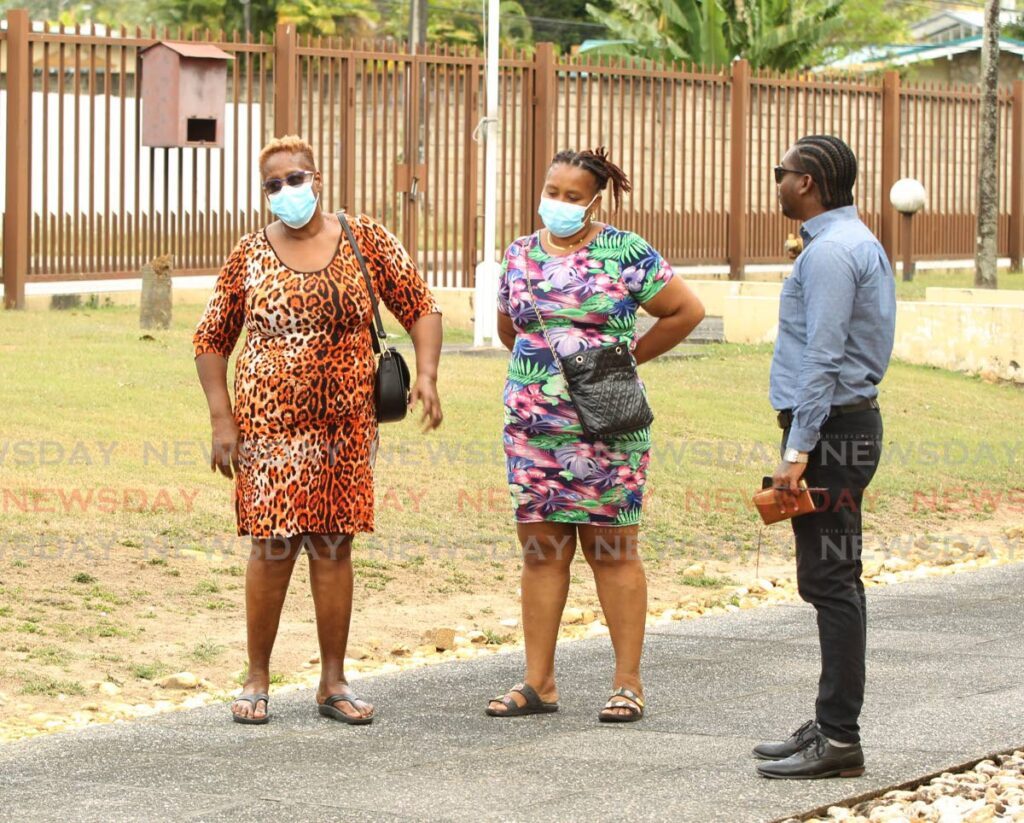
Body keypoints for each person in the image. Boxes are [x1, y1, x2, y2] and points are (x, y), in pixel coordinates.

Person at [193, 135, 443, 726]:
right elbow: (210, 338)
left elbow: (421, 306)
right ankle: (257, 678)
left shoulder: (366, 238)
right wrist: (221, 418)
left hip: (346, 429)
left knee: (334, 547)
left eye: (295, 179)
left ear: (318, 178)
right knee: (273, 548)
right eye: (273, 185)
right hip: (269, 431)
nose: (286, 192)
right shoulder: (249, 254)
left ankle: (333, 681)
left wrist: (427, 374)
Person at [487, 147, 705, 722]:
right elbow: (512, 330)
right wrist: (546, 386)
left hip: (607, 427)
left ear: (595, 200)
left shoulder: (625, 251)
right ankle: (539, 684)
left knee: (611, 551)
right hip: (534, 431)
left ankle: (627, 684)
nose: (557, 203)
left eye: (572, 196)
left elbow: (685, 311)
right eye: (551, 191)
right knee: (540, 552)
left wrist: (627, 359)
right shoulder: (519, 256)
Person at [755, 135, 895, 778]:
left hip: (831, 436)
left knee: (832, 581)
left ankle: (840, 739)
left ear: (806, 182)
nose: (777, 181)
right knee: (830, 578)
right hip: (838, 430)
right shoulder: (846, 241)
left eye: (782, 173)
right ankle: (831, 724)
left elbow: (824, 357)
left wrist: (796, 451)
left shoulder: (833, 252)